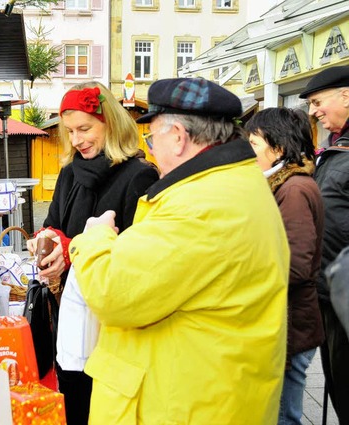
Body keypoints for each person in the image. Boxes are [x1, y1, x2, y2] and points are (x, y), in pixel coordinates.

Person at [68, 78, 289, 424]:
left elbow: (113, 292)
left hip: (187, 405)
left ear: (179, 138)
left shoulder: (203, 204)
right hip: (204, 394)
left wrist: (95, 238)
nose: (152, 148)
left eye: (152, 138)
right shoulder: (228, 186)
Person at [25, 81, 159, 425]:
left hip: (111, 323)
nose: (76, 140)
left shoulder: (140, 175)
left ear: (110, 124)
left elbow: (137, 256)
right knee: (72, 399)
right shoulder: (70, 173)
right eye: (69, 131)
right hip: (69, 313)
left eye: (84, 129)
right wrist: (45, 243)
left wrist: (70, 251)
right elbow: (54, 224)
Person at [245, 107, 325, 425]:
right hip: (290, 323)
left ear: (277, 148)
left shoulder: (292, 190)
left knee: (282, 415)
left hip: (292, 326)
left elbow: (295, 265)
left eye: (253, 144)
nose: (248, 152)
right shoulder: (286, 185)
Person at [299, 65, 349, 423]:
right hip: (332, 297)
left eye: (318, 101)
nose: (314, 111)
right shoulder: (336, 148)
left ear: (346, 94)